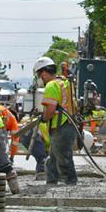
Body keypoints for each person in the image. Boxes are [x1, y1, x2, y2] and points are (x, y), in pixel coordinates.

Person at [34, 56, 78, 186]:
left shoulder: (51, 85)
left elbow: (51, 108)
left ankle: (70, 183)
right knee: (53, 159)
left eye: (39, 75)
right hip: (69, 124)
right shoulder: (64, 82)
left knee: (64, 158)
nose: (40, 78)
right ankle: (51, 181)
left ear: (43, 72)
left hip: (61, 126)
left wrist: (44, 117)